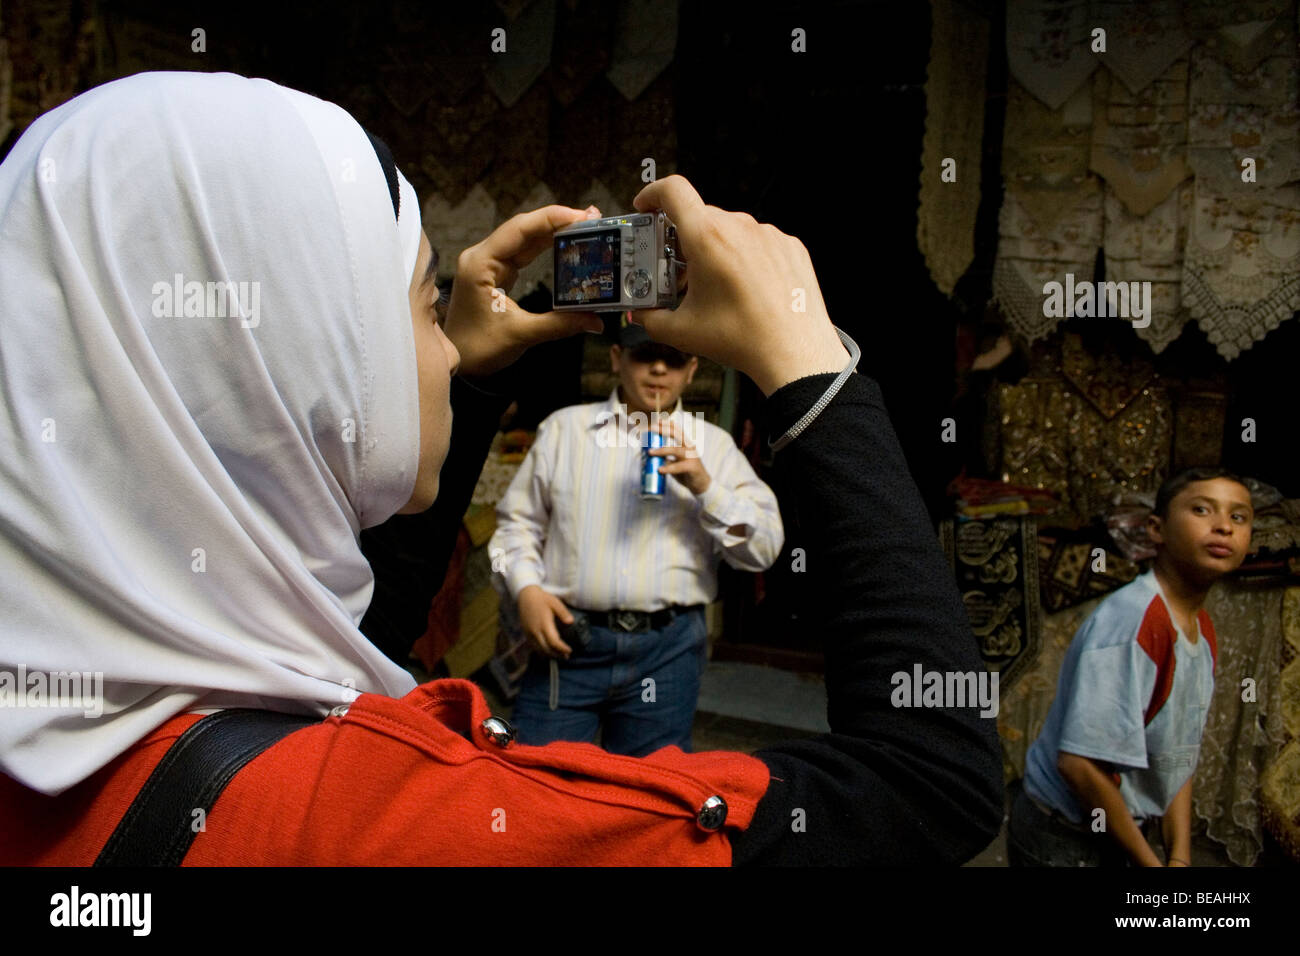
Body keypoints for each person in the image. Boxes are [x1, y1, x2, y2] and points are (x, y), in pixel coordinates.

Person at [0, 71, 1002, 865]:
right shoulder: (411, 819)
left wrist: (465, 383)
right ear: (298, 362)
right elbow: (932, 784)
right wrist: (812, 366)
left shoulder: (70, 708)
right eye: (428, 308)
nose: (441, 350)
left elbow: (353, 655)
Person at [489, 320, 783, 755]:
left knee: (647, 795)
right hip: (570, 639)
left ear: (691, 369)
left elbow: (763, 552)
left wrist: (707, 488)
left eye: (674, 359)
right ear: (616, 359)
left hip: (668, 650)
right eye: (646, 354)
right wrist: (526, 589)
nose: (660, 369)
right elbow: (517, 525)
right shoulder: (564, 430)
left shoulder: (715, 447)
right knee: (534, 779)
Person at [1009, 468, 1254, 867]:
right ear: (1156, 529)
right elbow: (1078, 765)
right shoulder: (1134, 623)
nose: (1223, 526)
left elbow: (1177, 754)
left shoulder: (1200, 628)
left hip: (1118, 825)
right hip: (1065, 837)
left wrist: (1179, 857)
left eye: (1238, 516)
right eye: (1202, 509)